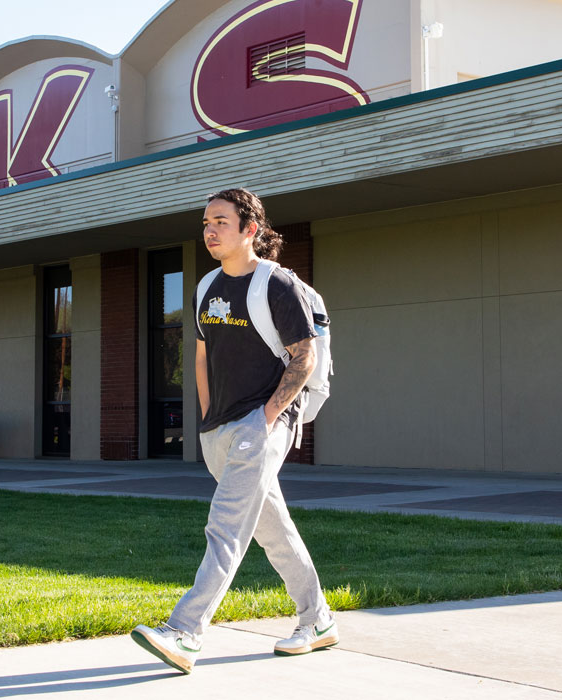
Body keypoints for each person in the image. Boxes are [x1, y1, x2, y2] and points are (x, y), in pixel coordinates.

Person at [131, 188, 336, 674]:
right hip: (219, 428)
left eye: (221, 221)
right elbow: (201, 356)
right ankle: (318, 620)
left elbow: (304, 357)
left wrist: (266, 418)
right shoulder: (206, 288)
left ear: (251, 229)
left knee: (224, 528)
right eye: (205, 222)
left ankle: (184, 631)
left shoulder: (277, 285)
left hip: (261, 424)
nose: (209, 230)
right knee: (274, 532)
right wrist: (207, 419)